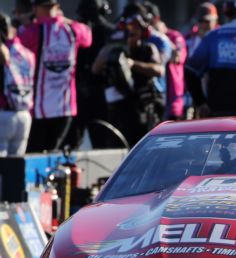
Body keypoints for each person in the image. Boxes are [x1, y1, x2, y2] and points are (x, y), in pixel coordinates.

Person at [18, 0, 92, 153]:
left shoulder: (34, 31)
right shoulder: (72, 29)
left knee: (33, 155)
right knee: (51, 157)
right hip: (65, 109)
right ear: (57, 7)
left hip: (38, 111)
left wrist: (24, 23)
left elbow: (19, 43)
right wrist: (64, 20)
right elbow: (88, 38)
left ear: (35, 8)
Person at [92, 11, 164, 147]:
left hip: (142, 108)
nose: (132, 32)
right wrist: (112, 49)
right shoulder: (114, 48)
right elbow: (95, 69)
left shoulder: (148, 49)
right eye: (129, 29)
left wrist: (132, 64)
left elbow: (159, 70)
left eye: (136, 29)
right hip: (119, 110)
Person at [62, 0, 115, 149]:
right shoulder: (111, 31)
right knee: (102, 144)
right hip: (99, 94)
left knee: (71, 145)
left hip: (81, 92)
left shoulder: (72, 30)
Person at [143, 1, 186, 121]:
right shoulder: (142, 38)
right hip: (153, 100)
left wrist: (162, 37)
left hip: (172, 102)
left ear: (156, 19)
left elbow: (177, 57)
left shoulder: (174, 36)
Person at [0, 12, 35, 156]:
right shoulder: (27, 52)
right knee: (16, 170)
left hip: (4, 113)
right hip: (24, 115)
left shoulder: (3, 51)